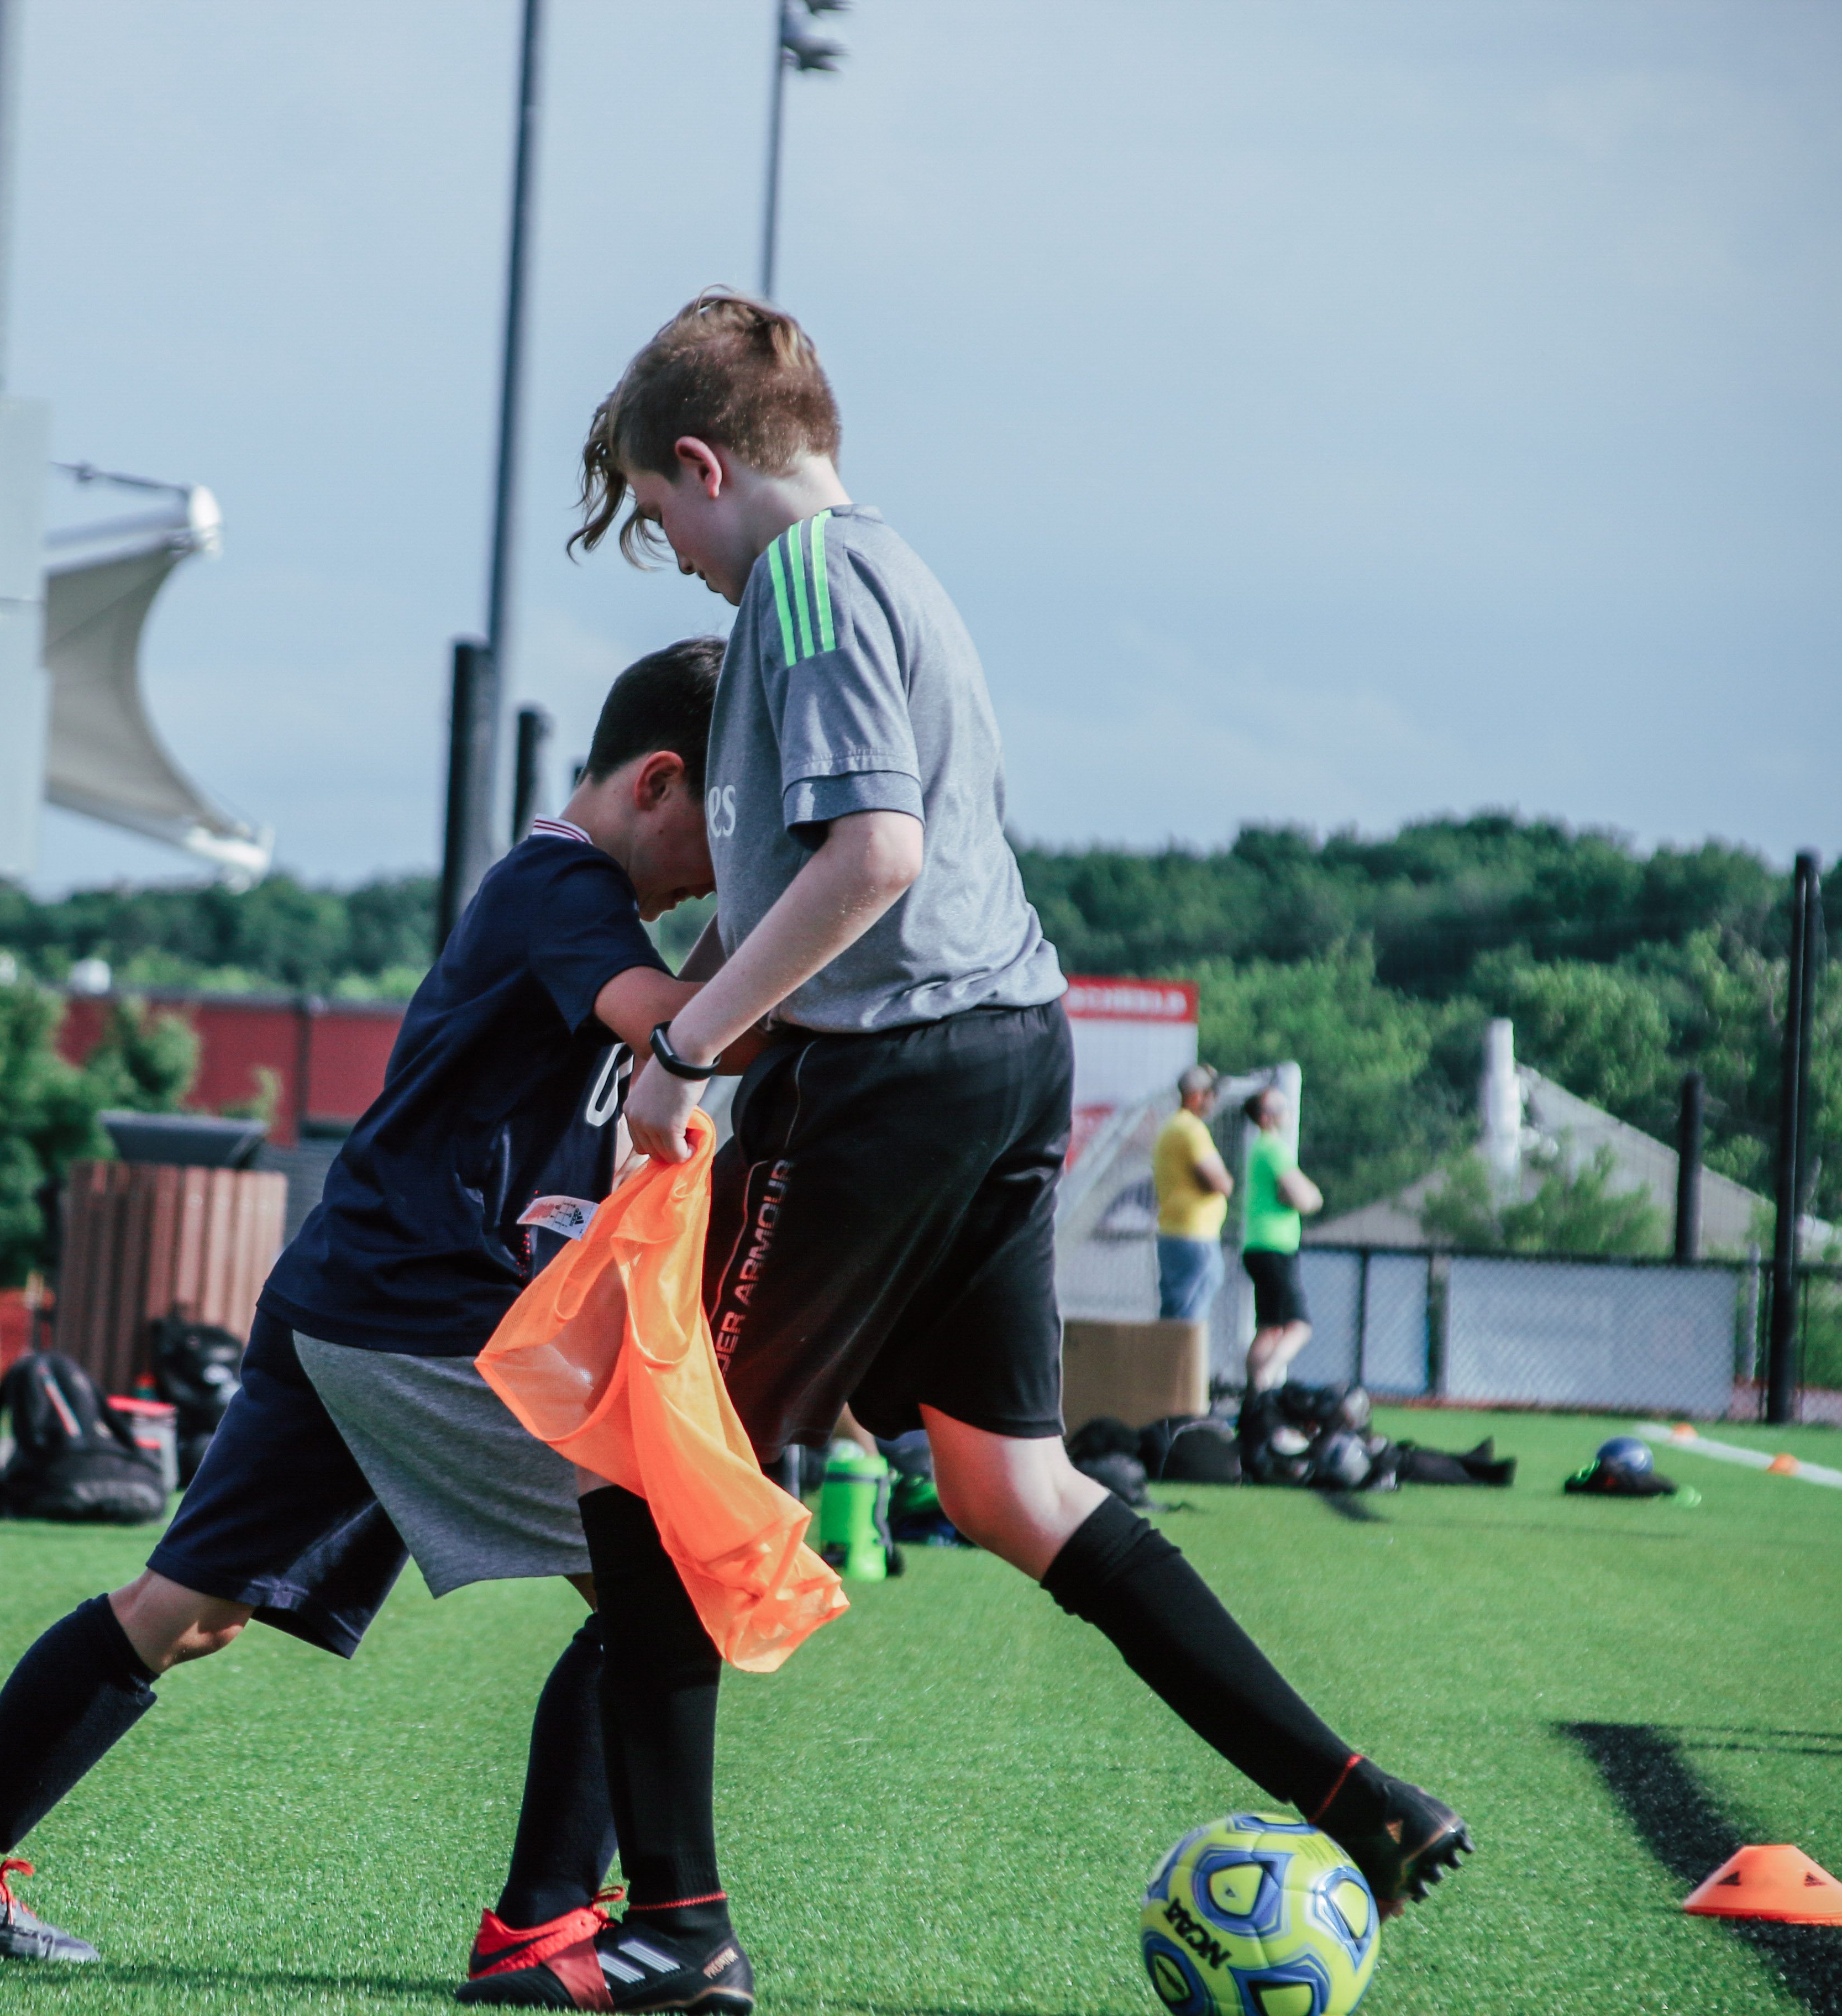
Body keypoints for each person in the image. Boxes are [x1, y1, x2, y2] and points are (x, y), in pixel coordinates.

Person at [463, 290, 1467, 2012]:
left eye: (657, 516)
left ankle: (677, 1933)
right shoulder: (892, 567)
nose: (674, 559)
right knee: (1015, 1487)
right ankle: (1357, 1799)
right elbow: (804, 890)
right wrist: (694, 1016)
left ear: (706, 467)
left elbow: (874, 860)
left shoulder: (806, 582)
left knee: (654, 1476)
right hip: (1008, 1052)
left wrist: (690, 1047)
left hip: (901, 1076)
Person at [0, 642, 725, 1992]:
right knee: (661, 1584)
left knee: (183, 1610)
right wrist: (819, 929)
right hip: (411, 1313)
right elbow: (677, 1026)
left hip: (348, 1298)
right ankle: (542, 1928)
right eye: (724, 834)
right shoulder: (564, 882)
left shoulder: (574, 894)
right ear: (659, 779)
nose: (722, 875)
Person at [1240, 1085, 1324, 1392]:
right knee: (1299, 1326)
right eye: (1278, 1105)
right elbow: (1307, 1198)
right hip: (1275, 1249)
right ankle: (1263, 1385)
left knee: (1269, 1329)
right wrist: (1310, 1196)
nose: (1286, 1109)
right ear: (1265, 1117)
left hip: (1258, 1246)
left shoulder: (1261, 1149)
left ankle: (1252, 1395)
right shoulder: (1273, 1148)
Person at [1153, 1063, 1231, 1325]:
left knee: (1177, 1311)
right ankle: (1181, 1366)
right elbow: (1220, 1183)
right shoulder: (1191, 1130)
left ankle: (1168, 1364)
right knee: (1188, 1318)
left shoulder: (1172, 1127)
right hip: (1194, 1236)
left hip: (1177, 1232)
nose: (1215, 1101)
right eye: (1212, 1094)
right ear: (1197, 1095)